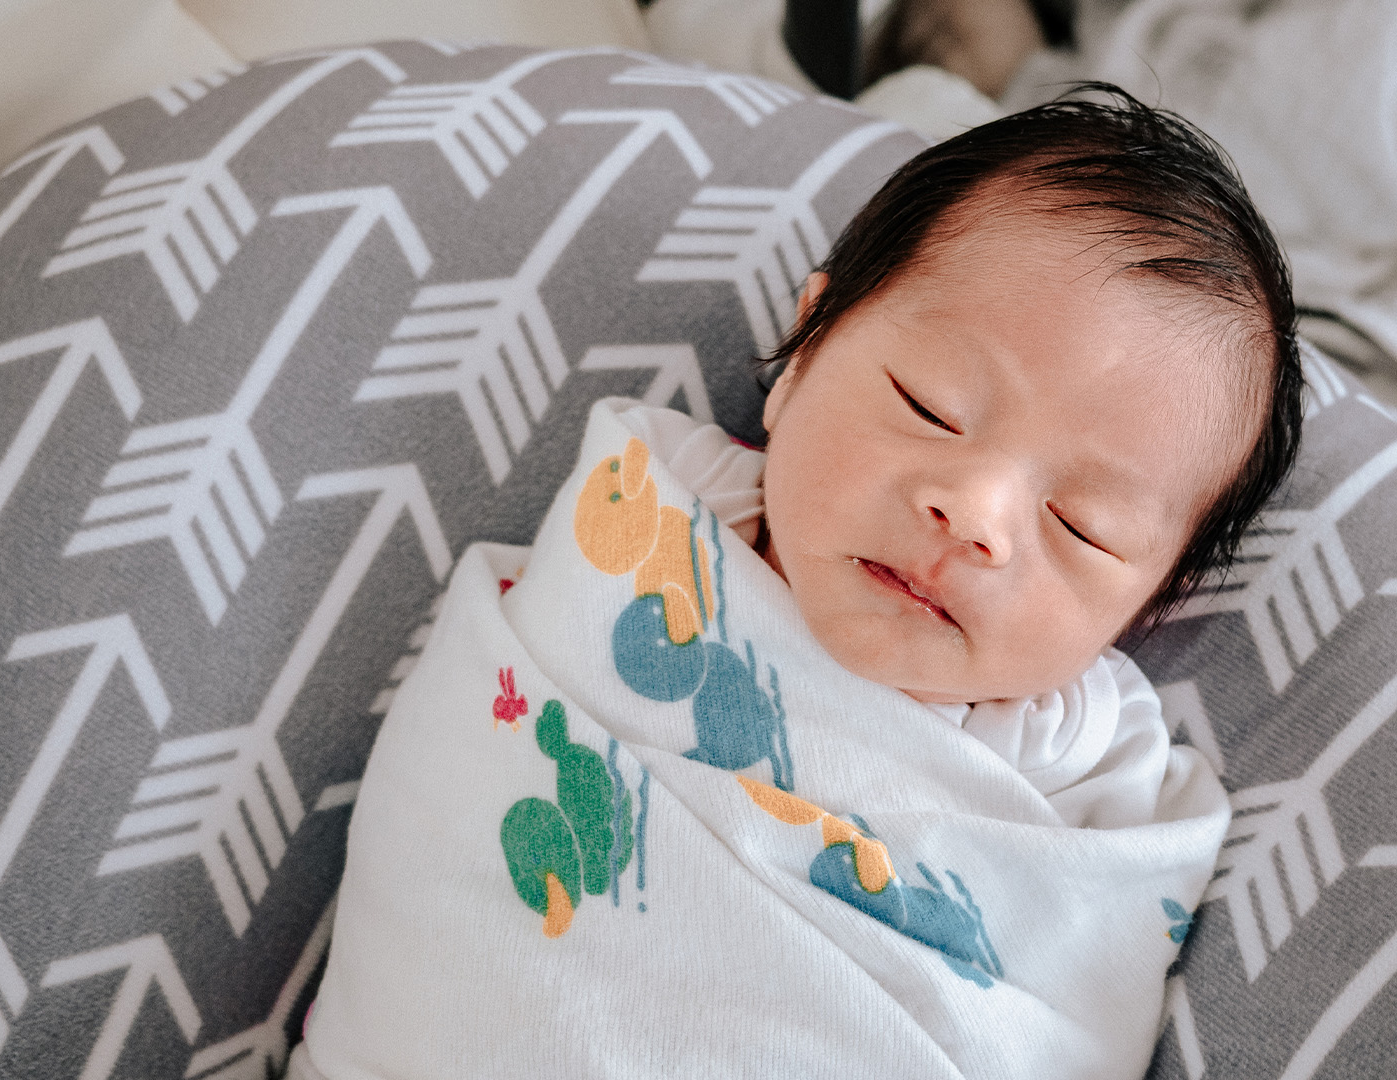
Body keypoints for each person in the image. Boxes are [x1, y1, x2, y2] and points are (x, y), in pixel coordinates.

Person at [292, 86, 1301, 1079]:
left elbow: (1058, 1019)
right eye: (933, 407)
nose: (975, 515)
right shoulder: (632, 535)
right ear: (807, 351)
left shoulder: (1091, 786)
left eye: (1082, 526)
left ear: (1148, 603)